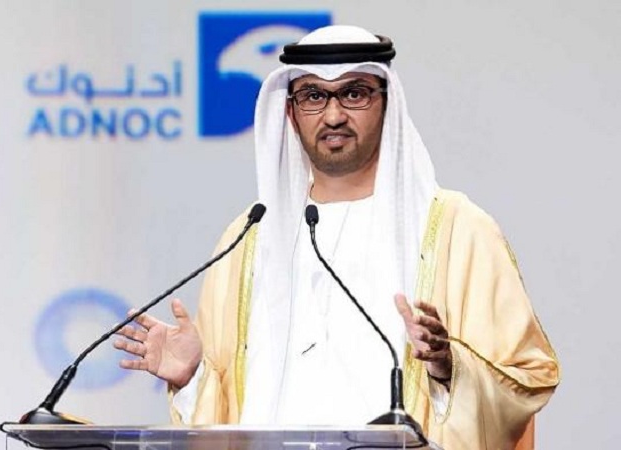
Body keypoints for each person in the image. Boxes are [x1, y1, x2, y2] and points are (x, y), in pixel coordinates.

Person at [113, 25, 559, 449]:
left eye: (354, 93)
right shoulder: (250, 239)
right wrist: (192, 376)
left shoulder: (457, 229)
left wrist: (449, 366)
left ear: (387, 104)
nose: (333, 115)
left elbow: (527, 379)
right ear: (290, 113)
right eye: (313, 96)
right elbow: (231, 417)